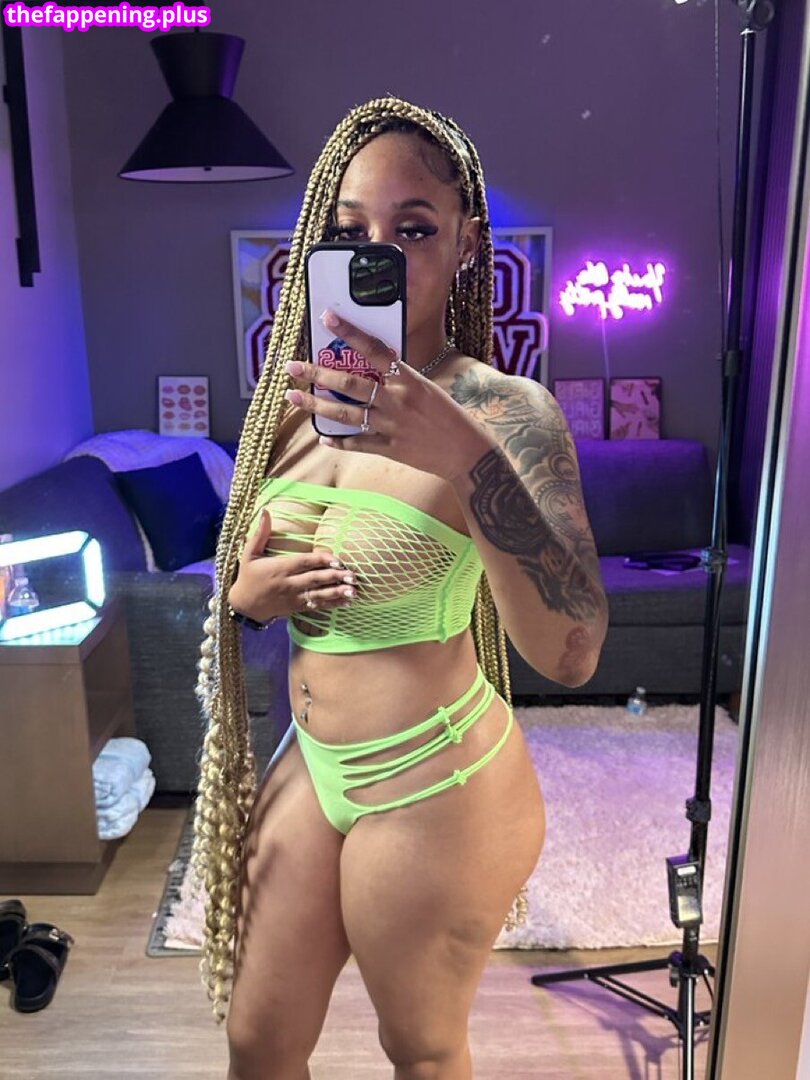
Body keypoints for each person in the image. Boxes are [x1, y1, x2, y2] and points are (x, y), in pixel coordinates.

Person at [193, 96, 608, 1080]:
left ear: (465, 243)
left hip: (437, 780)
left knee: (419, 1049)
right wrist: (248, 599)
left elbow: (573, 652)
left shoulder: (506, 411)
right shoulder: (296, 404)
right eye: (350, 233)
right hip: (313, 762)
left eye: (413, 229)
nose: (376, 255)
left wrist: (464, 457)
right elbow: (243, 579)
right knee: (256, 1042)